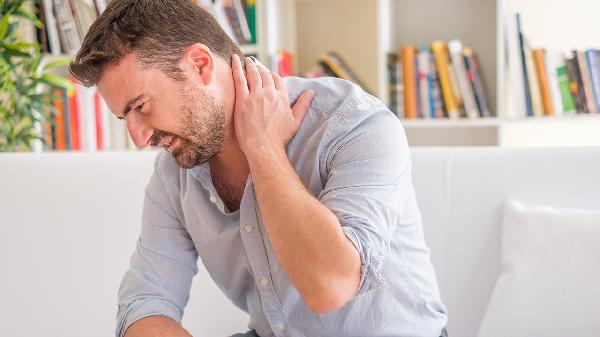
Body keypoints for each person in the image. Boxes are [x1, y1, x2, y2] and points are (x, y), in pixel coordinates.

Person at [69, 0, 448, 336]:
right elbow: (146, 301)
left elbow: (329, 286)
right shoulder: (175, 174)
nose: (138, 138)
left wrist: (265, 150)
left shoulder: (352, 124)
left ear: (200, 65)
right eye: (124, 118)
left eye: (140, 106)